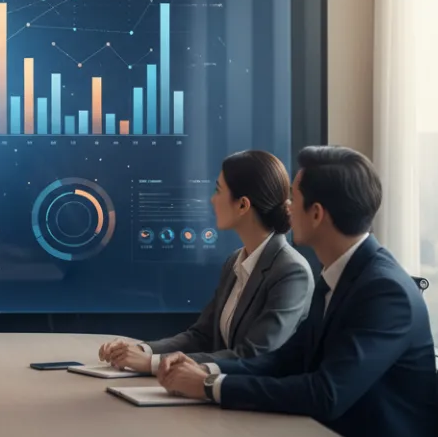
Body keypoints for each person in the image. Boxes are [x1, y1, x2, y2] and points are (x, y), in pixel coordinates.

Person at [157, 146, 437, 437]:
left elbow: (325, 394)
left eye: (294, 197)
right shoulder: (338, 275)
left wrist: (210, 387)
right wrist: (206, 371)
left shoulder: (384, 292)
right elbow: (285, 359)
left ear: (316, 214)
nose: (286, 207)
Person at [99, 150, 312, 373]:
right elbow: (202, 335)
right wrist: (143, 350)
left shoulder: (291, 271)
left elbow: (254, 354)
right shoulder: (234, 262)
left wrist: (153, 364)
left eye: (218, 191)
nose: (212, 199)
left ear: (242, 205)